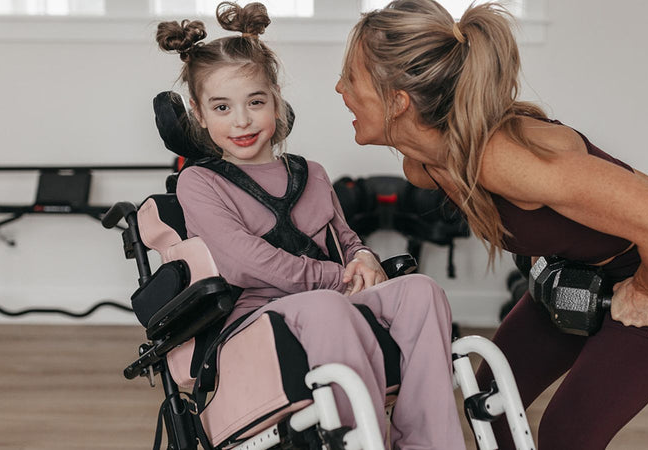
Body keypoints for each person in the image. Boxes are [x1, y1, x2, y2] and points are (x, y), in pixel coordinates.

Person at [335, 1, 648, 448]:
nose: (339, 88)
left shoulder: (500, 160)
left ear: (398, 101)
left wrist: (645, 290)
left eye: (351, 78)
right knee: (492, 403)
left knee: (568, 434)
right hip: (584, 266)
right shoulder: (425, 167)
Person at [156, 3, 465, 448]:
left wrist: (362, 258)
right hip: (255, 317)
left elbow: (344, 239)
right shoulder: (200, 182)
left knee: (422, 291)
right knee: (327, 305)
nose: (241, 120)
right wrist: (339, 276)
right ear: (200, 114)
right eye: (222, 107)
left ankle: (427, 442)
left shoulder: (311, 173)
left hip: (331, 297)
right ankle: (361, 441)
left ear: (276, 101)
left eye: (255, 102)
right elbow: (244, 264)